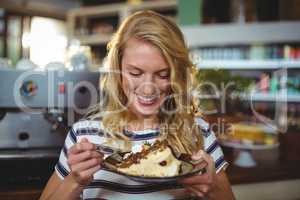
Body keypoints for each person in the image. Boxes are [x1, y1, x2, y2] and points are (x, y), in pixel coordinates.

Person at [39, 10, 235, 200]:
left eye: (163, 75)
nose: (148, 89)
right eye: (135, 73)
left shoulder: (198, 132)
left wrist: (213, 190)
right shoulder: (85, 135)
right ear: (118, 69)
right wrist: (75, 181)